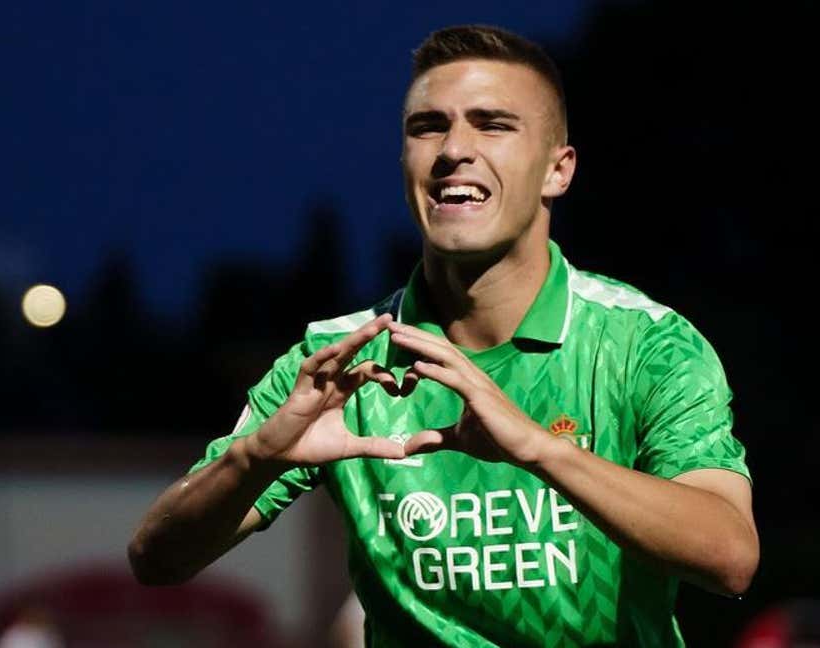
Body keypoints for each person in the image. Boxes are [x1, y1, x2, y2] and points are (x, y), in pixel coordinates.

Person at [128, 24, 758, 646]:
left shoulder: (646, 343)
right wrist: (256, 457)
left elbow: (730, 554)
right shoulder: (336, 361)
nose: (454, 148)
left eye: (493, 124)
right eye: (428, 126)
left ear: (557, 170)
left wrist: (539, 449)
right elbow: (155, 559)